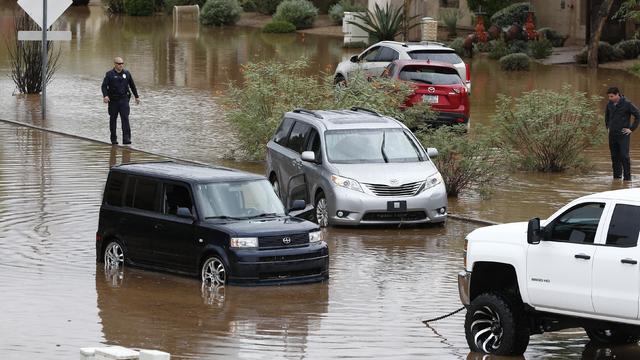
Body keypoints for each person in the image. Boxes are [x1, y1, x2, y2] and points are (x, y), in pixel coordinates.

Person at [101, 57, 140, 145]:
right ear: (114, 64)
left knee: (125, 119)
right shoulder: (109, 74)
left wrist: (136, 97)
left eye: (122, 63)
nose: (121, 65)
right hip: (113, 101)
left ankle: (126, 139)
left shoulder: (127, 73)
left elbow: (132, 85)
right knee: (113, 120)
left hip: (124, 100)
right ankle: (113, 139)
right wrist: (105, 96)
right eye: (119, 64)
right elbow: (103, 86)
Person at [605, 87, 640, 181]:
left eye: (611, 96)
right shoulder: (609, 104)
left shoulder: (627, 104)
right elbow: (607, 117)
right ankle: (616, 178)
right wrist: (608, 127)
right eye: (609, 96)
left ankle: (627, 178)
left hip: (623, 135)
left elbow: (638, 116)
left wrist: (631, 129)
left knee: (624, 156)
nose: (610, 98)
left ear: (617, 94)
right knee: (614, 156)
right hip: (612, 135)